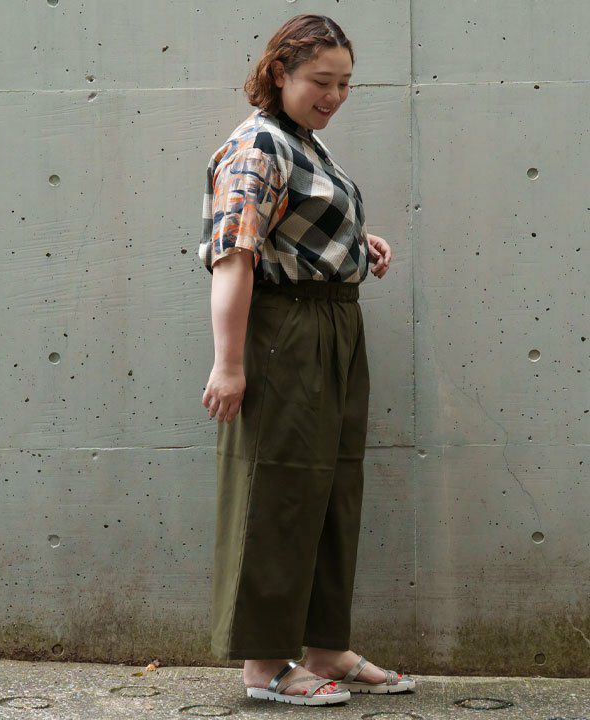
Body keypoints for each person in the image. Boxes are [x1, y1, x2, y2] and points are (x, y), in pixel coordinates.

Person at [198, 13, 416, 707]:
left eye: (346, 83)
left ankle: (325, 645)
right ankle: (265, 664)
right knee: (281, 489)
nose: (335, 95)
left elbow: (291, 227)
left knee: (332, 488)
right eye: (322, 81)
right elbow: (234, 259)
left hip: (333, 324)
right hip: (285, 331)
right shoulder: (257, 147)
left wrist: (355, 243)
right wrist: (229, 364)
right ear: (279, 72)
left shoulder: (304, 143)